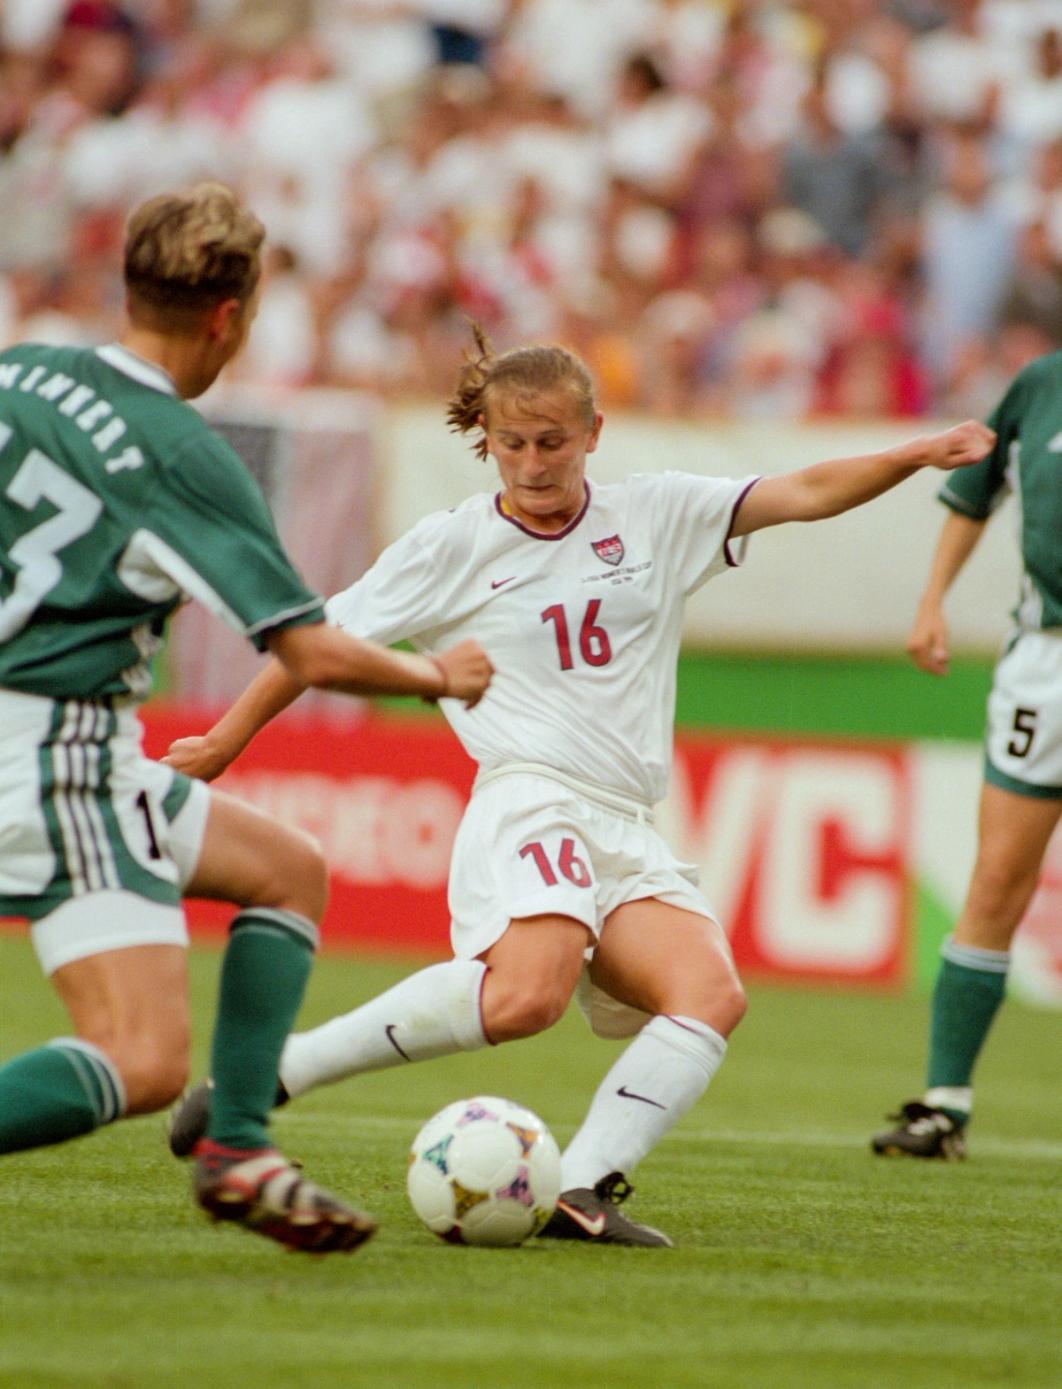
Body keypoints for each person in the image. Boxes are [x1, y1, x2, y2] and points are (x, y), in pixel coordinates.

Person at [166, 328, 993, 1245]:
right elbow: (314, 646)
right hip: (532, 796)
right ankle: (265, 1078)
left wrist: (915, 453)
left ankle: (585, 1187)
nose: (531, 463)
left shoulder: (657, 515)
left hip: (626, 821)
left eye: (552, 441)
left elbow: (799, 492)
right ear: (486, 438)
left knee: (710, 992)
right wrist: (224, 740)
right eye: (511, 443)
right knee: (527, 997)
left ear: (594, 431)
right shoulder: (453, 545)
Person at [0, 183, 493, 1254]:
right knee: (139, 1059)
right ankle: (227, 1140)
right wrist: (439, 679)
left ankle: (236, 1149)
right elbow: (308, 646)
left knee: (286, 870)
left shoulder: (18, 369)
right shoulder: (180, 451)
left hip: (60, 743)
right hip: (48, 745)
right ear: (232, 314)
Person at [872, 348, 1062, 1161]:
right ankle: (943, 1105)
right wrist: (931, 599)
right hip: (1045, 666)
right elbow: (974, 494)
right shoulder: (1042, 383)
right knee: (996, 880)